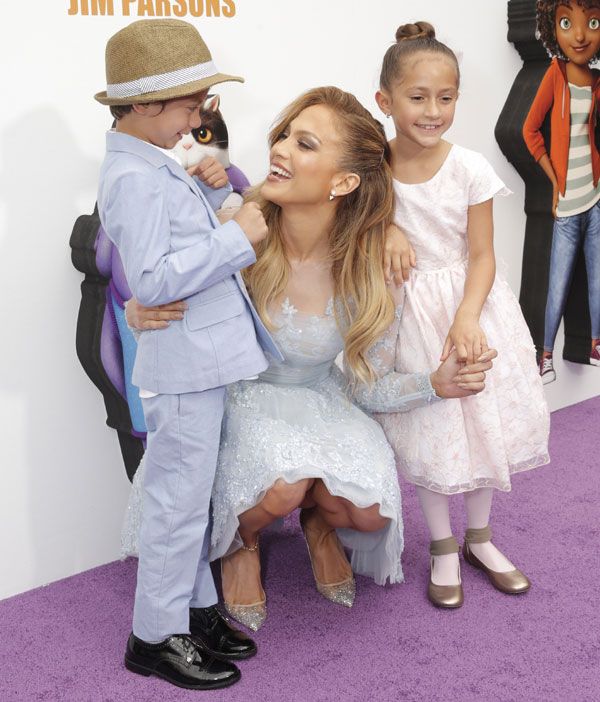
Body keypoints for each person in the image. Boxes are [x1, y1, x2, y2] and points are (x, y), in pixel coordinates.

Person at [125, 86, 497, 630]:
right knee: (283, 484)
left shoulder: (368, 266)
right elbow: (165, 291)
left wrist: (433, 384)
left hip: (320, 397)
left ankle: (318, 524)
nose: (278, 150)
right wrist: (140, 310)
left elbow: (367, 387)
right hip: (239, 399)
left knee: (368, 512)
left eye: (304, 144)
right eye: (283, 136)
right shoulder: (235, 230)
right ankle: (242, 542)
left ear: (344, 182)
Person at [95, 18, 284, 689]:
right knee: (177, 502)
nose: (199, 114)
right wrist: (238, 236)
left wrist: (208, 195)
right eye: (190, 103)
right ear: (145, 105)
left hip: (196, 359)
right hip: (183, 364)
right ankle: (153, 635)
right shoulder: (134, 177)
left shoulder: (154, 166)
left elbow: (172, 245)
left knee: (192, 495)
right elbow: (152, 279)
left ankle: (196, 609)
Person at [373, 21, 550, 608]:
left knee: (478, 418)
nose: (432, 111)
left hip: (470, 307)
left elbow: (482, 255)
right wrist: (388, 224)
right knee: (432, 429)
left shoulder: (470, 166)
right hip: (408, 316)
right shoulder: (372, 170)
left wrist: (469, 317)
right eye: (417, 97)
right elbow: (348, 219)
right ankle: (442, 546)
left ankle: (480, 537)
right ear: (385, 101)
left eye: (445, 98)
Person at [523, 0, 600, 383]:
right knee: (556, 282)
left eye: (593, 22)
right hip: (567, 202)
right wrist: (554, 181)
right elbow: (529, 130)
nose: (581, 34)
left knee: (597, 277)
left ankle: (595, 344)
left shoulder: (599, 82)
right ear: (552, 28)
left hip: (596, 198)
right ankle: (546, 355)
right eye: (567, 22)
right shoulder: (555, 73)